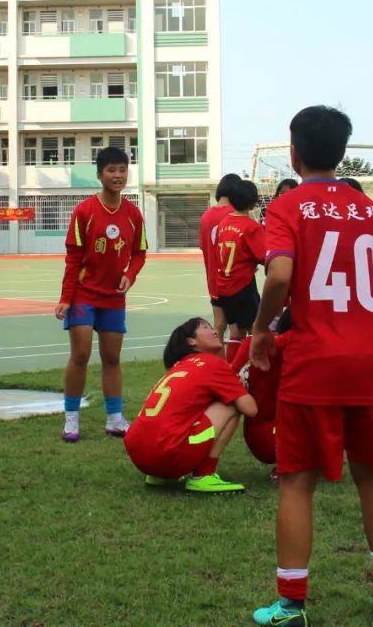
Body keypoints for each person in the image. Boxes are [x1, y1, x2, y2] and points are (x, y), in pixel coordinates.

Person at [248, 105, 373, 625]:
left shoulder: (288, 207)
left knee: (297, 481)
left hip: (313, 361)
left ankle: (292, 604)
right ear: (342, 153)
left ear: (293, 153)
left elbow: (278, 276)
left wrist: (259, 331)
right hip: (370, 362)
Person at [56, 146, 147, 443]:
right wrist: (66, 298)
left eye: (122, 169)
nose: (117, 175)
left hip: (113, 299)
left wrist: (129, 276)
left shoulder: (133, 214)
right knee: (80, 356)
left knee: (112, 358)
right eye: (111, 170)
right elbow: (73, 259)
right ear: (100, 175)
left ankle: (115, 419)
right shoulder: (84, 211)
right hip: (84, 296)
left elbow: (139, 254)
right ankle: (71, 418)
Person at [124, 318, 257, 493]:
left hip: (138, 453)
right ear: (191, 341)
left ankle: (159, 476)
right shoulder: (213, 363)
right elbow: (250, 409)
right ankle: (203, 475)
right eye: (206, 327)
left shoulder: (179, 366)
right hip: (169, 454)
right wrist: (243, 386)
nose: (215, 331)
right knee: (232, 405)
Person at [229, 309, 290, 470]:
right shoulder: (297, 346)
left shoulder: (252, 342)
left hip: (259, 437)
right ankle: (292, 467)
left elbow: (230, 381)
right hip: (274, 436)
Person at [214, 179, 266, 354]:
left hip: (224, 286)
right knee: (255, 329)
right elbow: (264, 256)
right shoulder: (252, 227)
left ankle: (233, 371)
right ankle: (250, 369)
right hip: (242, 286)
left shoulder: (224, 223)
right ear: (253, 203)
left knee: (236, 331)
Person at [199, 174, 242, 342]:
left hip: (214, 281)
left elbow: (204, 247)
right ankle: (235, 367)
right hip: (234, 281)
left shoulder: (206, 216)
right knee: (237, 330)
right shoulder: (236, 214)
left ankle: (217, 366)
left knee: (219, 326)